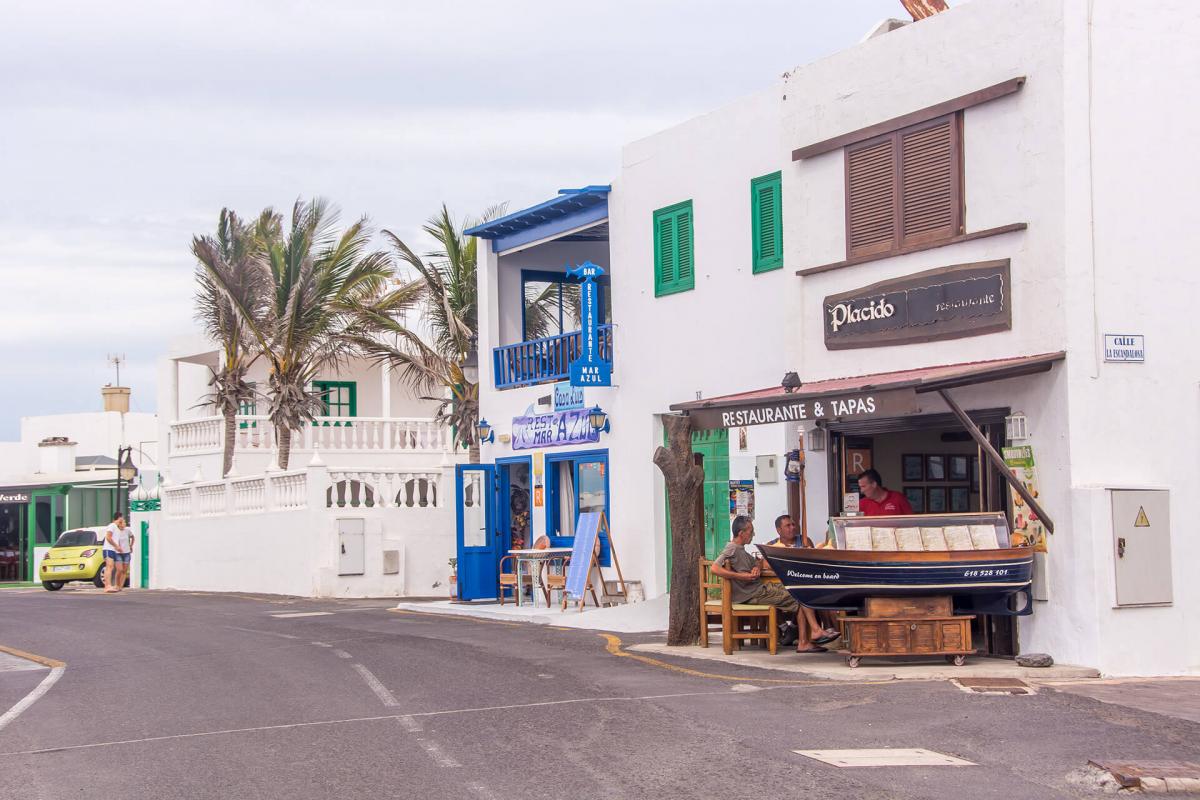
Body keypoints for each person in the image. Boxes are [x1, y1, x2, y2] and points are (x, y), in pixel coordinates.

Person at [710, 516, 837, 654]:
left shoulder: (740, 549)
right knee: (799, 594)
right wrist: (742, 576)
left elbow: (757, 561)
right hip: (753, 594)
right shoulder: (732, 548)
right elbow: (714, 568)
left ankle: (807, 636)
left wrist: (757, 567)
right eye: (751, 531)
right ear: (741, 533)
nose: (753, 534)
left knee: (798, 591)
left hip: (758, 590)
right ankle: (810, 636)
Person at [765, 515, 840, 641]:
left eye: (793, 524)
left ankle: (825, 630)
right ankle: (787, 628)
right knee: (773, 595)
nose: (792, 528)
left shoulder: (804, 541)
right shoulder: (772, 545)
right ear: (779, 530)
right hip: (783, 585)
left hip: (804, 582)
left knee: (815, 591)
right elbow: (766, 564)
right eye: (788, 526)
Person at [102, 513, 134, 593]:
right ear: (119, 518)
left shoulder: (117, 528)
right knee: (109, 567)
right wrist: (117, 546)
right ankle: (107, 586)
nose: (123, 520)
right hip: (108, 549)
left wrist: (117, 547)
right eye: (122, 518)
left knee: (111, 567)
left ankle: (111, 586)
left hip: (113, 550)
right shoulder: (112, 526)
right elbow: (108, 537)